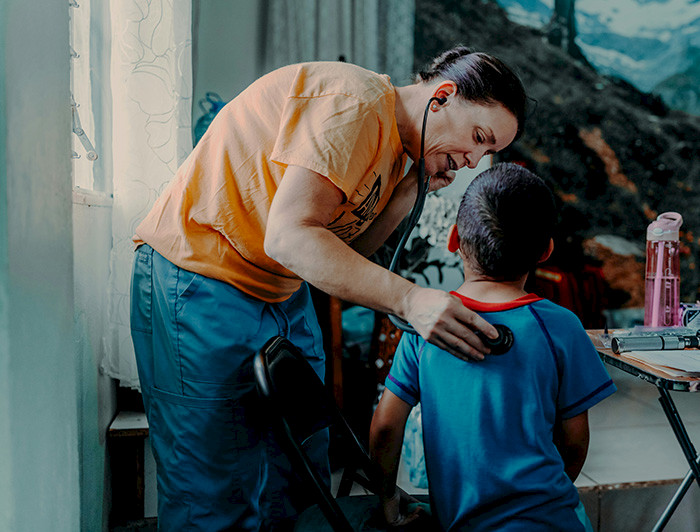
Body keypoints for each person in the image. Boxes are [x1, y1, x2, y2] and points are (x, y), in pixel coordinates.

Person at [129, 46, 527, 531]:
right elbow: (290, 236)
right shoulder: (354, 104)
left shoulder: (398, 149)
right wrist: (410, 298)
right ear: (442, 96)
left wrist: (407, 190)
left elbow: (344, 252)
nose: (472, 161)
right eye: (478, 138)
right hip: (199, 277)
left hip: (278, 288)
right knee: (214, 492)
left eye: (488, 153)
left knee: (296, 477)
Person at [369, 163, 617, 531]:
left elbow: (386, 429)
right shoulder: (562, 327)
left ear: (453, 239)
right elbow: (575, 442)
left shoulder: (426, 326)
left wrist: (388, 498)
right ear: (546, 251)